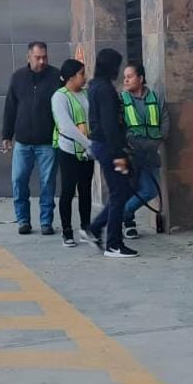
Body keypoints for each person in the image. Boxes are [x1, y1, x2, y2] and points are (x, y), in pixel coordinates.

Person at [1, 42, 62, 235]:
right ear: (29, 57)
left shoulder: (55, 77)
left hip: (47, 143)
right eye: (38, 57)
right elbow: (10, 108)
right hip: (23, 142)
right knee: (18, 181)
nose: (42, 61)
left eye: (44, 57)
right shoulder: (18, 78)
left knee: (47, 184)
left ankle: (46, 222)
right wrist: (6, 135)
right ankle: (23, 221)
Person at [82, 48, 138, 258]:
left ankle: (95, 229)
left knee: (122, 191)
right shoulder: (104, 89)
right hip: (108, 147)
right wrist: (119, 156)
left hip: (102, 146)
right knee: (119, 193)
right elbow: (110, 125)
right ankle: (113, 244)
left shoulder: (95, 85)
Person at [120, 64, 170, 239]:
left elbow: (164, 121)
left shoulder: (156, 97)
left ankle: (122, 212)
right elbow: (119, 125)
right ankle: (128, 223)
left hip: (150, 151)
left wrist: (157, 141)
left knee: (150, 190)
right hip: (131, 152)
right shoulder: (121, 99)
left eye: (130, 76)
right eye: (124, 76)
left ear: (140, 78)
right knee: (128, 188)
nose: (125, 80)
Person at [51, 59, 94, 247]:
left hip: (87, 151)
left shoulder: (86, 94)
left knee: (86, 190)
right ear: (71, 77)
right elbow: (66, 127)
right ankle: (67, 231)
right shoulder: (60, 96)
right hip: (68, 150)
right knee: (68, 190)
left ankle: (86, 227)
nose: (84, 77)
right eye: (81, 74)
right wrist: (88, 143)